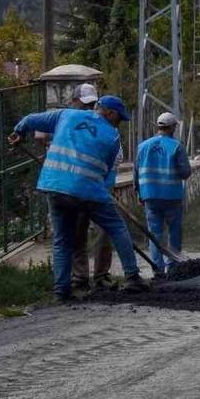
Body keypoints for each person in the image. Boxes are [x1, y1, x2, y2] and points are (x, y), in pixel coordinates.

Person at [8, 95, 148, 301]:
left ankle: (61, 291)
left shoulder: (66, 115)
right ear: (109, 113)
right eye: (119, 119)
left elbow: (29, 120)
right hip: (88, 191)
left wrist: (18, 132)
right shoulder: (112, 136)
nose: (119, 123)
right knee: (117, 227)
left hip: (55, 186)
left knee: (62, 239)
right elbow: (106, 169)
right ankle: (132, 277)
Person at [65, 84, 116, 296]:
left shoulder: (104, 127)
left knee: (104, 232)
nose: (88, 108)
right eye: (84, 104)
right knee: (78, 232)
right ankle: (80, 278)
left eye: (92, 104)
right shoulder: (67, 119)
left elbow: (115, 157)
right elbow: (41, 135)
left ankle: (101, 275)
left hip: (101, 187)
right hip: (76, 187)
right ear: (74, 101)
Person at [136, 111, 192, 277]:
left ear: (158, 126)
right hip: (172, 196)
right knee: (174, 232)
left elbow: (136, 173)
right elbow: (185, 173)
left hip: (150, 196)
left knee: (155, 235)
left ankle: (158, 271)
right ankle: (173, 268)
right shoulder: (176, 146)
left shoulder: (142, 146)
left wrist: (139, 193)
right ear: (173, 127)